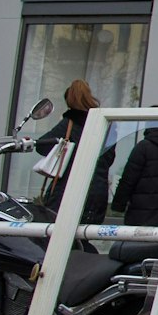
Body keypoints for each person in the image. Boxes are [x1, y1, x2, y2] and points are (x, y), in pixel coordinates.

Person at [33, 79, 114, 222]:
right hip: (97, 192)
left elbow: (41, 146)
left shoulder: (68, 123)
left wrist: (62, 150)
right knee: (84, 236)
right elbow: (109, 158)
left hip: (67, 190)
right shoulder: (106, 126)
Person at [112, 116, 158, 253]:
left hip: (140, 217)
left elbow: (128, 179)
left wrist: (117, 206)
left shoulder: (143, 147)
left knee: (136, 255)